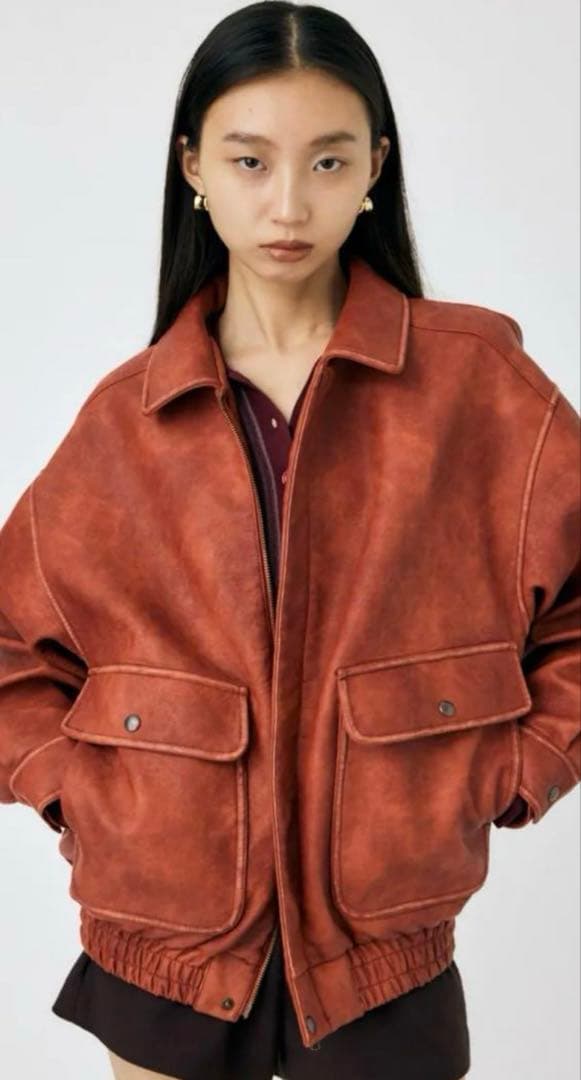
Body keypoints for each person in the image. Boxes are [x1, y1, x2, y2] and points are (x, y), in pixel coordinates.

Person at [1, 2, 579, 1079]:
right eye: (249, 160)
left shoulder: (477, 387)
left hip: (384, 953)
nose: (287, 203)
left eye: (326, 161)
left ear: (374, 169)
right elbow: (9, 647)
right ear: (192, 167)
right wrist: (78, 793)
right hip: (162, 946)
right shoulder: (127, 419)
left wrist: (519, 766)